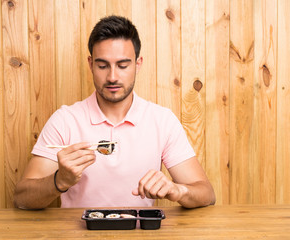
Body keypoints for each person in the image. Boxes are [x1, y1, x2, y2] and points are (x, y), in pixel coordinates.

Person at [14, 15, 215, 209]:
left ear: (138, 64)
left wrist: (177, 190)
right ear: (91, 64)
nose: (112, 77)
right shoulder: (65, 120)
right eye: (102, 66)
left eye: (122, 65)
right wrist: (59, 180)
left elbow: (206, 194)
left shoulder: (161, 121)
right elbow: (22, 199)